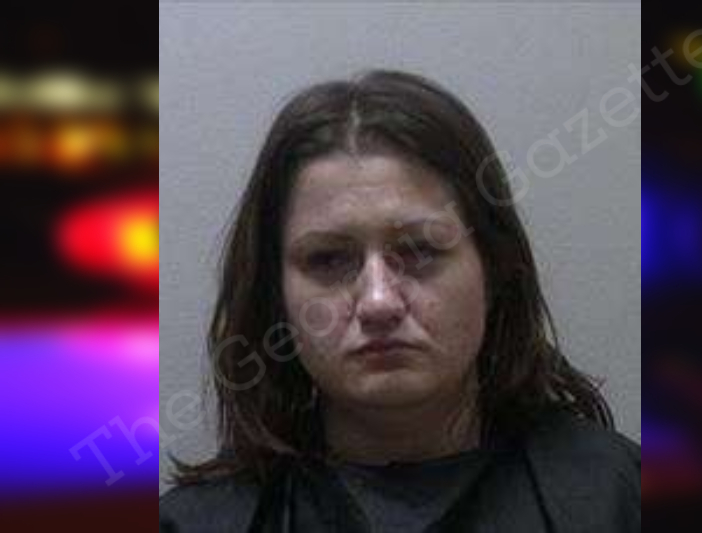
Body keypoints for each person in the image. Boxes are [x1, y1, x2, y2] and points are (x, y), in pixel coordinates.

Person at [159, 69, 640, 532]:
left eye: (420, 251)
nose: (378, 302)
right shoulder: (191, 525)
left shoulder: (620, 500)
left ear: (494, 271)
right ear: (275, 296)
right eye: (328, 259)